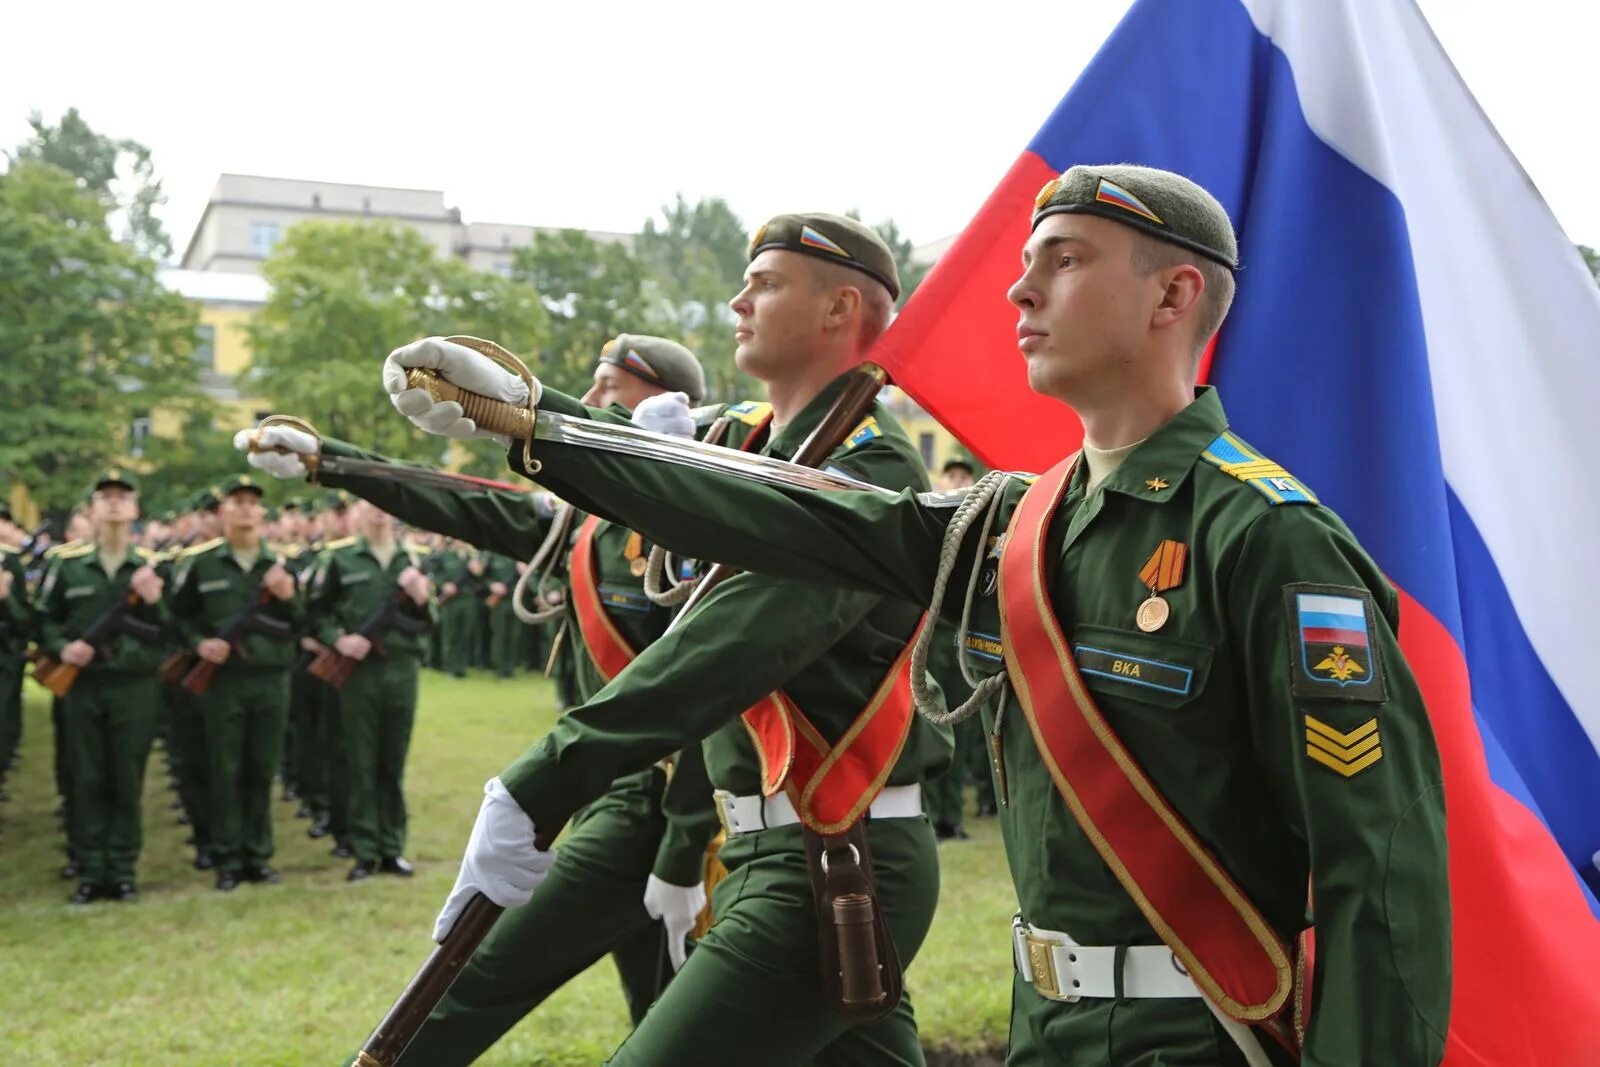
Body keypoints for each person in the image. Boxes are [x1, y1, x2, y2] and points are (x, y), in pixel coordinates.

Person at [391, 169, 1453, 1065]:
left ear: (1174, 295)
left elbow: (1381, 875)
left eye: (1067, 259)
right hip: (1047, 1017)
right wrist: (547, 425)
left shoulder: (1264, 536)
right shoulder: (1017, 524)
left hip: (1201, 1029)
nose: (1019, 287)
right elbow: (791, 513)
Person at [375, 214, 955, 1065]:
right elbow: (664, 476)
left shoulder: (867, 470)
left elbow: (732, 644)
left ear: (839, 308)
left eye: (765, 282)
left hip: (833, 860)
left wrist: (546, 778)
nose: (738, 298)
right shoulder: (753, 443)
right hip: (766, 847)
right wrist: (527, 415)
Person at [248, 334, 730, 1063]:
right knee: (662, 1008)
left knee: (481, 975)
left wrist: (685, 840)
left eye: (608, 387)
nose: (592, 400)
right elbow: (454, 503)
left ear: (665, 401)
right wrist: (331, 460)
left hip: (658, 802)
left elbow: (713, 687)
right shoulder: (582, 516)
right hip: (608, 791)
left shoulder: (697, 514)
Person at [33, 470, 168, 903]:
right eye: (104, 497)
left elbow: (176, 632)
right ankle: (92, 871)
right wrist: (61, 647)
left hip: (135, 687)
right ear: (91, 510)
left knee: (126, 778)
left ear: (135, 511)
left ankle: (123, 869)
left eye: (122, 497)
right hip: (84, 686)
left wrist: (154, 602)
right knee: (86, 777)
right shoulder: (66, 565)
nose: (113, 504)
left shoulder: (151, 567)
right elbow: (42, 618)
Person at [167, 474, 301, 891]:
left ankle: (258, 856)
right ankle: (227, 856)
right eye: (237, 502)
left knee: (262, 769)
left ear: (262, 513)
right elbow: (175, 618)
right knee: (224, 768)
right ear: (223, 511)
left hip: (270, 679)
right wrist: (199, 644)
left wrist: (288, 596)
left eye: (252, 502)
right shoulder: (202, 562)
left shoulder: (281, 565)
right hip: (223, 682)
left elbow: (305, 623)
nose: (245, 509)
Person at [303, 500, 433, 880]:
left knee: (392, 761)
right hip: (358, 673)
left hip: (401, 669)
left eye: (384, 504)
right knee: (360, 760)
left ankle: (392, 847)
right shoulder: (341, 559)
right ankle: (364, 849)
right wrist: (338, 641)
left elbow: (430, 621)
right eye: (370, 504)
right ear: (357, 513)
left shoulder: (414, 559)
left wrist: (422, 597)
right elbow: (315, 613)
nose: (379, 510)